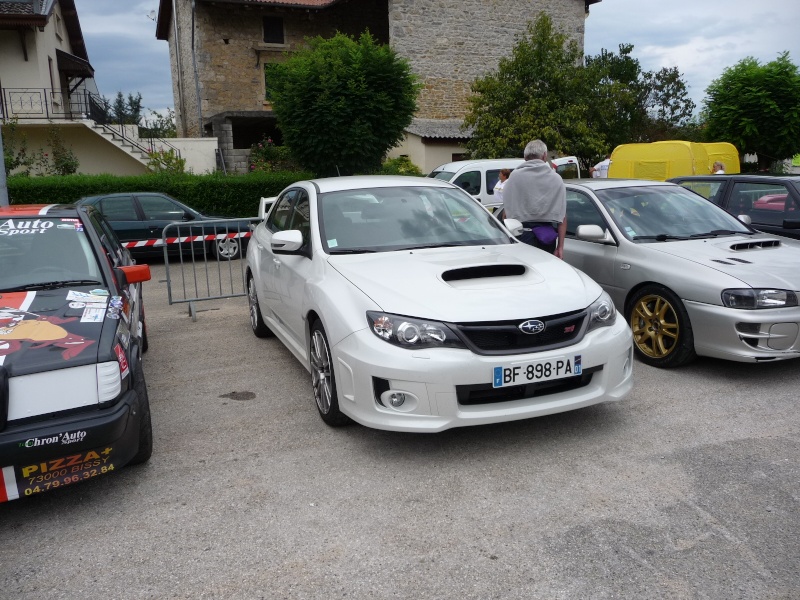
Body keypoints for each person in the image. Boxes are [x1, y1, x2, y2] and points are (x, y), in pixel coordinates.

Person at [502, 139, 567, 258]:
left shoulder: (514, 178)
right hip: (546, 239)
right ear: (544, 156)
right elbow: (562, 218)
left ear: (525, 157)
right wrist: (560, 247)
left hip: (521, 237)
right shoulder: (556, 179)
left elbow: (505, 215)